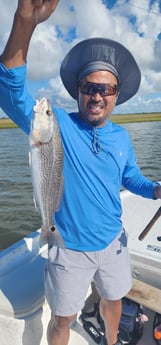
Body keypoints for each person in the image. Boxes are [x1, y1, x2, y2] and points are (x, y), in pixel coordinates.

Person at [0, 1, 161, 345]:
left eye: (106, 89)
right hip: (68, 247)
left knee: (114, 299)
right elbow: (10, 92)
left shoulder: (120, 136)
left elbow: (131, 178)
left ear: (117, 94)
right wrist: (23, 23)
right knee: (63, 319)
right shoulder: (54, 125)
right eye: (90, 87)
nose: (97, 95)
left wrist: (156, 190)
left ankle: (111, 339)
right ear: (78, 90)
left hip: (114, 244)